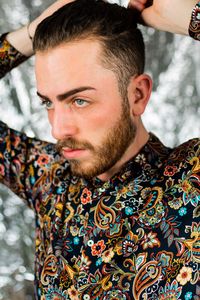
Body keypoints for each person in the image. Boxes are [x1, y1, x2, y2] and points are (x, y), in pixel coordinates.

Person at [0, 0, 199, 299]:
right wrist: (31, 33)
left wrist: (193, 15)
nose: (58, 129)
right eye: (48, 103)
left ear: (138, 94)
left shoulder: (192, 179)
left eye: (79, 100)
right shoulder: (51, 181)